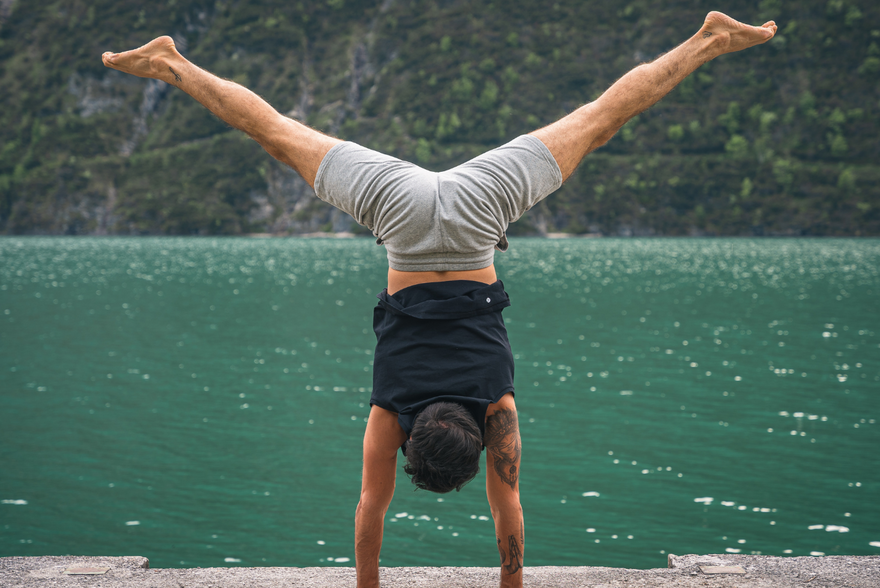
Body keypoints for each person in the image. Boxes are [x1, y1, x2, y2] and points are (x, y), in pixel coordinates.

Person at [102, 11, 776, 588]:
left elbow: (507, 511)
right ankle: (172, 62)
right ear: (410, 441)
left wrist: (511, 584)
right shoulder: (390, 413)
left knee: (598, 120)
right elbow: (370, 508)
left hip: (479, 210)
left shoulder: (497, 412)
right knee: (278, 134)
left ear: (476, 441)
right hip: (401, 212)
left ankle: (709, 39)